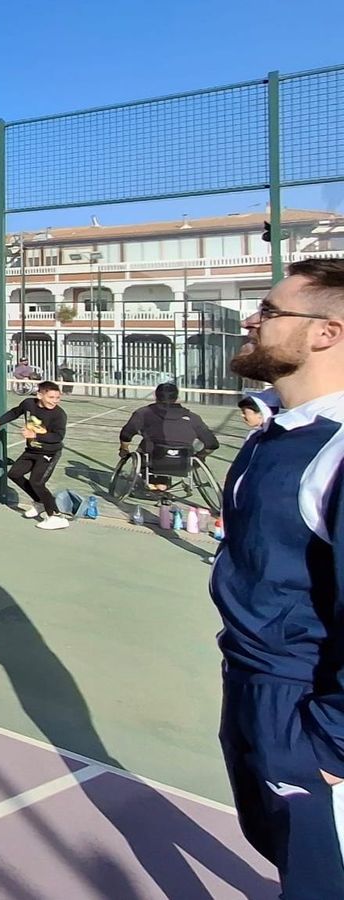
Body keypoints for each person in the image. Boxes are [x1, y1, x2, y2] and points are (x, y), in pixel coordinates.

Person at [212, 258, 344, 898]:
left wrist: (330, 743)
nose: (252, 320)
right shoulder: (274, 435)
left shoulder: (335, 451)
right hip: (250, 679)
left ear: (327, 332)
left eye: (269, 311)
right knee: (285, 856)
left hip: (303, 704)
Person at [0, 381, 68, 530]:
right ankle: (40, 502)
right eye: (51, 397)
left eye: (57, 398)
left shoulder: (59, 415)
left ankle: (56, 516)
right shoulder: (29, 404)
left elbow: (58, 436)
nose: (54, 401)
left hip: (49, 452)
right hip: (32, 451)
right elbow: (15, 412)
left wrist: (34, 434)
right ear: (39, 395)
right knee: (14, 474)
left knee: (37, 482)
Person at [118, 383, 221, 489]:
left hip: (152, 461)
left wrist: (124, 449)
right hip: (182, 463)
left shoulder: (144, 413)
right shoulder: (193, 418)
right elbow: (212, 444)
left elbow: (126, 434)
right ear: (177, 397)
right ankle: (160, 485)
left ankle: (151, 482)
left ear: (155, 396)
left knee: (149, 448)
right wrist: (200, 456)